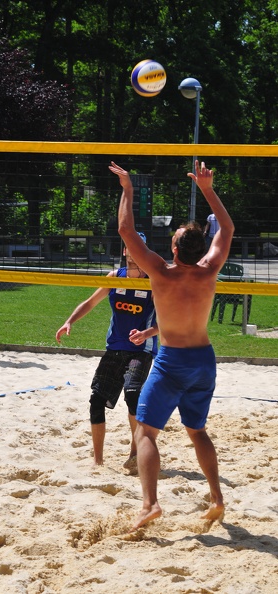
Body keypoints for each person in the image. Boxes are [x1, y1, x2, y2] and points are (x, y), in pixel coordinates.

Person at [109, 159, 234, 531]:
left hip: (172, 362)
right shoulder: (210, 268)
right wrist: (207, 189)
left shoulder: (160, 271)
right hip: (204, 360)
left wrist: (128, 189)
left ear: (175, 249)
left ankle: (149, 504)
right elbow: (226, 227)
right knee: (197, 431)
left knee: (145, 432)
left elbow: (124, 228)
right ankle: (217, 498)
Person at [56, 233, 158, 467]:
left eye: (139, 246)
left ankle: (134, 453)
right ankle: (98, 461)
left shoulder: (153, 281)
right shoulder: (115, 277)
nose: (133, 251)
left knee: (132, 395)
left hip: (141, 350)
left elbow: (168, 320)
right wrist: (69, 321)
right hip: (115, 348)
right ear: (125, 252)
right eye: (130, 246)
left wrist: (146, 334)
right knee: (96, 400)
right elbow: (90, 303)